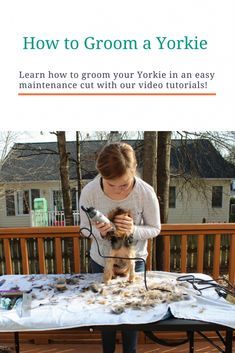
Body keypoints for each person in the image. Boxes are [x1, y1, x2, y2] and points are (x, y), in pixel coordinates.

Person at [79, 142, 161, 353]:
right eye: (110, 184)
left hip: (134, 264)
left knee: (130, 318)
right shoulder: (89, 191)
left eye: (123, 185)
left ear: (133, 171)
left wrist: (133, 230)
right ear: (101, 175)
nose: (117, 190)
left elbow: (155, 228)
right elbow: (83, 229)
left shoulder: (145, 192)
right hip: (101, 263)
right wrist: (100, 232)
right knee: (105, 317)